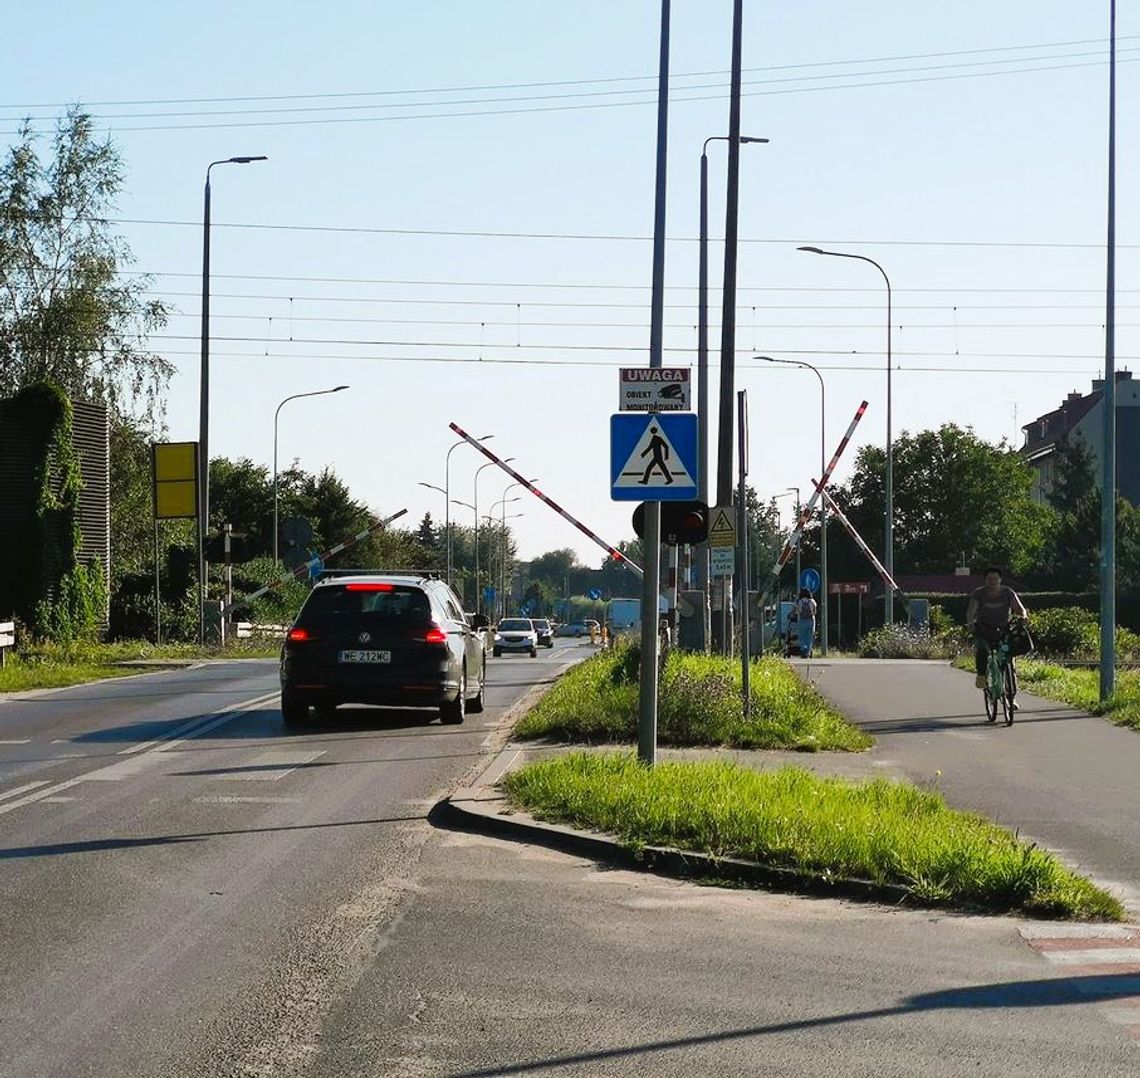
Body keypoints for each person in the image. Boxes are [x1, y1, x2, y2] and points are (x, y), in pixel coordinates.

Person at [966, 566, 1029, 707]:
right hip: (984, 629)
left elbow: (1020, 608)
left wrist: (1023, 616)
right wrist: (971, 624)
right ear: (985, 580)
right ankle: (982, 675)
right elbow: (971, 612)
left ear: (1000, 580)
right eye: (989, 579)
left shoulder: (1008, 593)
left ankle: (1011, 698)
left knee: (1009, 662)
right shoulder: (979, 594)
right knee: (982, 649)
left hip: (1003, 630)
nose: (992, 582)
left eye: (995, 579)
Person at [795, 588, 817, 658]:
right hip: (811, 620)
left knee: (802, 636)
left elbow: (799, 611)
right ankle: (808, 651)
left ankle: (802, 649)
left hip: (802, 620)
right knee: (809, 637)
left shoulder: (800, 601)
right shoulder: (812, 601)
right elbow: (815, 612)